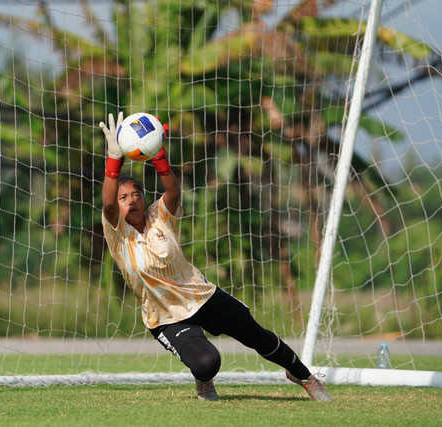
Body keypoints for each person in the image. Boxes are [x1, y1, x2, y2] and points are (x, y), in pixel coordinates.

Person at [99, 112, 331, 402]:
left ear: (145, 199)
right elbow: (107, 203)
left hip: (201, 295)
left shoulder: (160, 215)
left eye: (136, 194)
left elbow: (172, 190)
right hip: (167, 316)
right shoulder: (117, 233)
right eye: (124, 197)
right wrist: (113, 159)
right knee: (208, 362)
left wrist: (158, 155)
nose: (131, 199)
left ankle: (303, 375)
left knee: (256, 334)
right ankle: (204, 381)